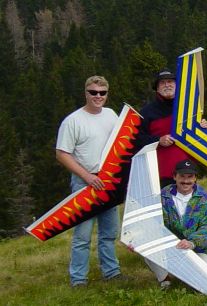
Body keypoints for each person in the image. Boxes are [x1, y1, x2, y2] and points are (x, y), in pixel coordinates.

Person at [55, 75, 124, 287]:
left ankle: (111, 272)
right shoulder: (72, 121)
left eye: (102, 93)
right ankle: (78, 279)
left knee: (109, 232)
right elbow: (62, 153)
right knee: (83, 235)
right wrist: (87, 177)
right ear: (86, 93)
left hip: (108, 181)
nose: (98, 96)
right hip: (84, 183)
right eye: (93, 92)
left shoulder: (111, 115)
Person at [144, 159, 207, 289]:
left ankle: (188, 275)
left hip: (196, 249)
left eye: (190, 177)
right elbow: (151, 221)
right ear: (174, 176)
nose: (186, 181)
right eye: (182, 177)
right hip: (169, 247)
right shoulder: (162, 196)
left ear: (195, 178)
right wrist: (137, 239)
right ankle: (165, 279)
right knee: (147, 250)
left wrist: (191, 242)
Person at [135, 69, 194, 187]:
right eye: (162, 83)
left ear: (177, 85)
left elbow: (196, 132)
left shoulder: (187, 107)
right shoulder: (146, 112)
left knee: (190, 203)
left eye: (170, 81)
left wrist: (202, 124)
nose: (167, 85)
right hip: (161, 172)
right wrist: (158, 140)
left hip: (187, 169)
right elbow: (138, 139)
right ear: (157, 88)